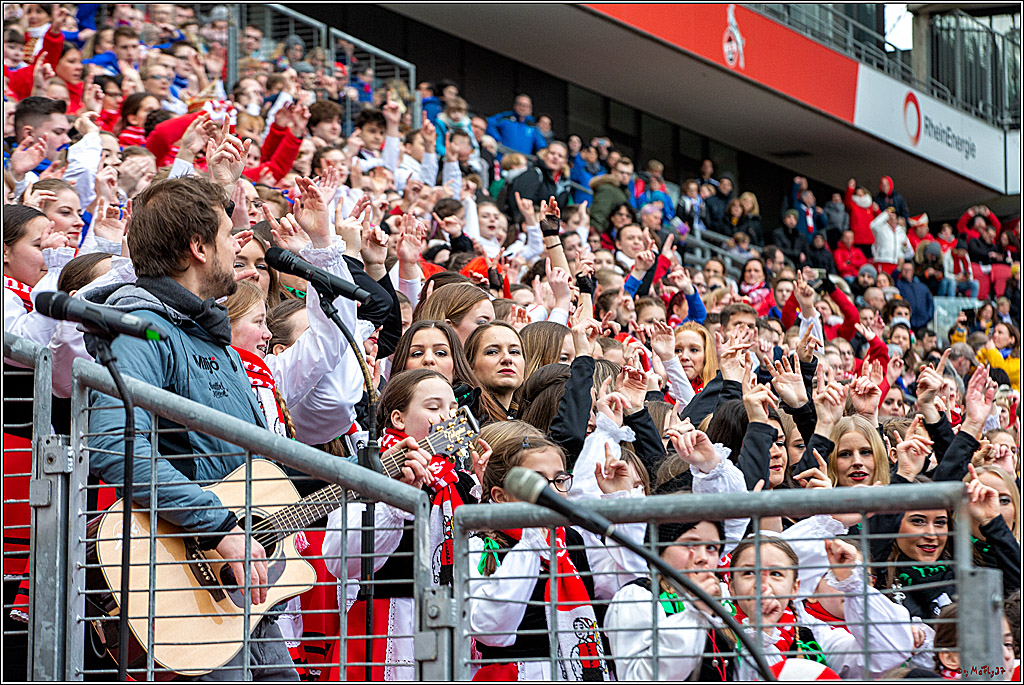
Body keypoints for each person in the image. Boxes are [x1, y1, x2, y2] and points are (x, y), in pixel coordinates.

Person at [85, 175, 301, 680]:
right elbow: (115, 446)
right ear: (199, 247)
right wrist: (220, 526)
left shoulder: (213, 339)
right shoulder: (138, 327)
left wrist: (374, 471)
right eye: (230, 235)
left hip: (239, 587)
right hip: (189, 588)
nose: (239, 246)